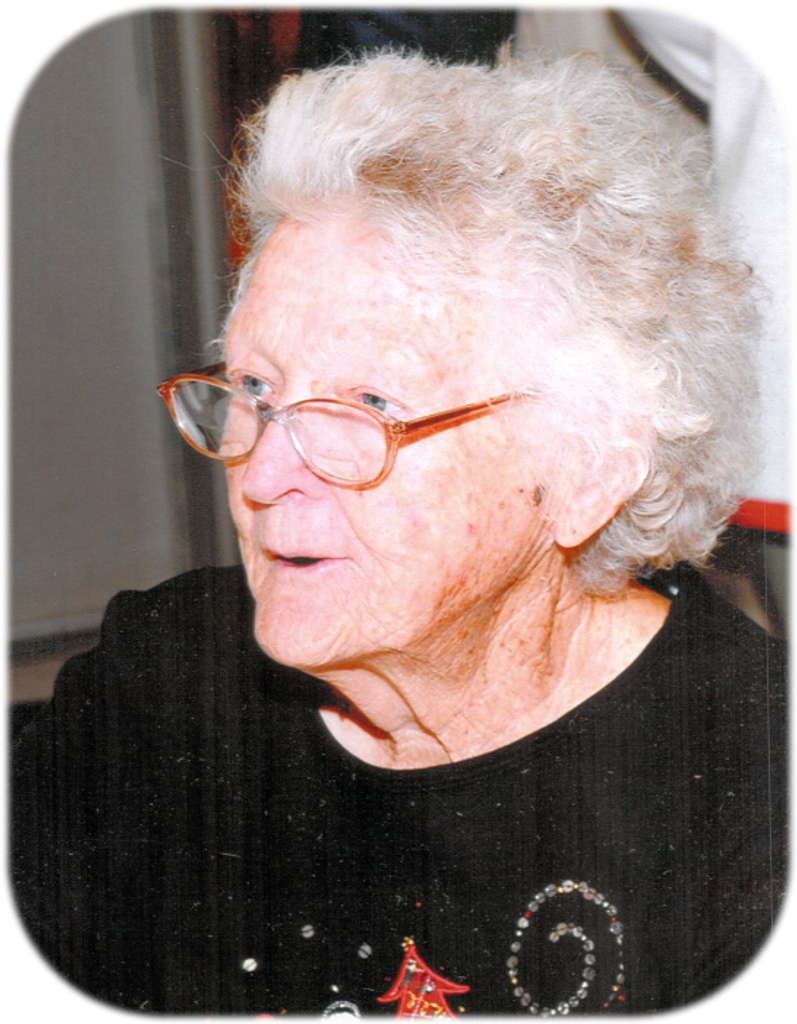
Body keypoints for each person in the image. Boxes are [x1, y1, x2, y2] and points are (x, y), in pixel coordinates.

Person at [6, 52, 791, 1024]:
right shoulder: (162, 684)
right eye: (254, 390)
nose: (261, 472)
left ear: (588, 468)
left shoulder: (751, 802)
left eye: (367, 407)